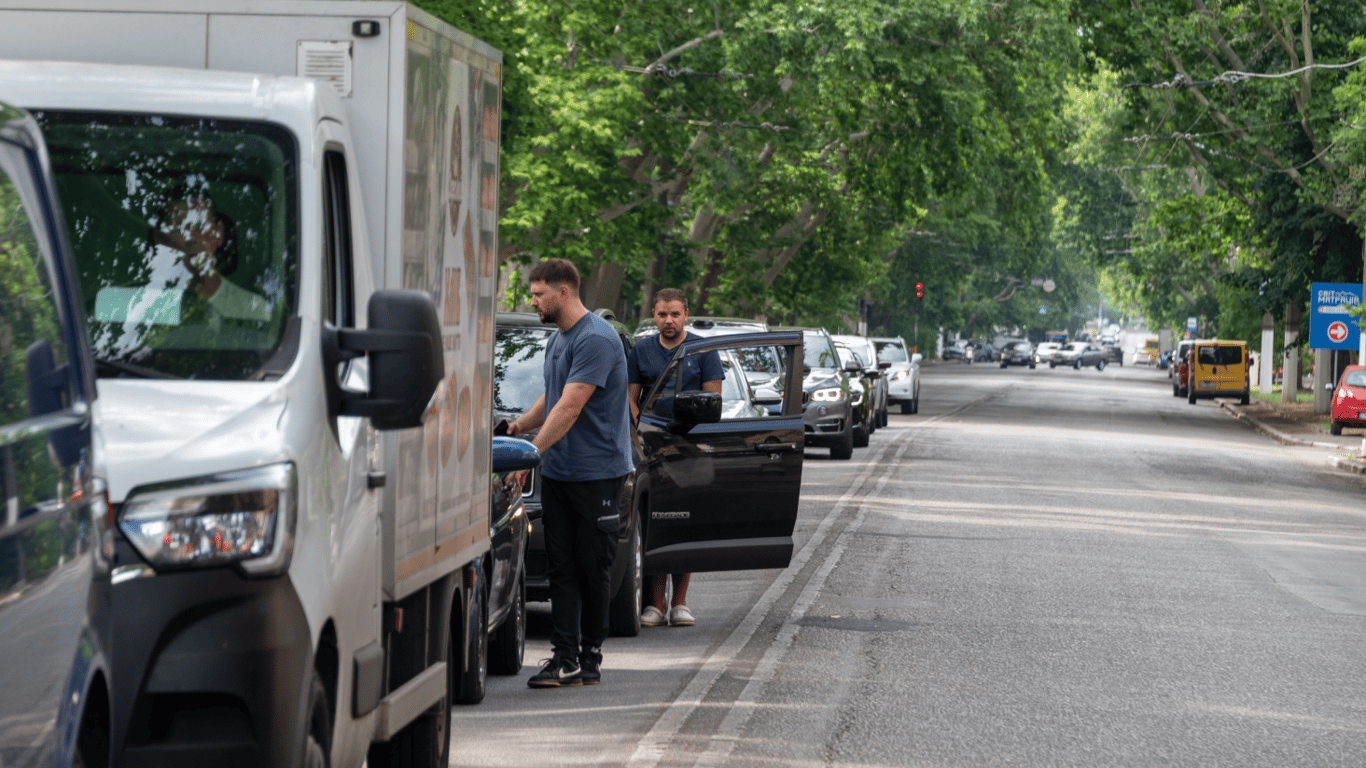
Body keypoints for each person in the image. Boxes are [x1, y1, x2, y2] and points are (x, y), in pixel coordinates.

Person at [508, 258, 633, 687]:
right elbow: (552, 395)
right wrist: (519, 427)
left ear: (563, 292)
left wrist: (528, 454)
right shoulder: (558, 339)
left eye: (539, 293)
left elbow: (571, 406)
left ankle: (590, 656)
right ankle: (564, 657)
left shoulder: (597, 339)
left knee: (590, 566)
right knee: (561, 566)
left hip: (597, 472)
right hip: (561, 471)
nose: (533, 300)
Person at [626, 288, 722, 628]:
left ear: (686, 315)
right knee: (656, 522)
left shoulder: (703, 350)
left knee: (686, 522)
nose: (669, 320)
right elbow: (631, 397)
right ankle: (654, 604)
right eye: (663, 314)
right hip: (650, 448)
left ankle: (680, 603)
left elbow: (714, 399)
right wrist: (642, 428)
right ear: (654, 314)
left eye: (676, 314)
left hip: (690, 448)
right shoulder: (641, 350)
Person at [148, 193, 270, 322]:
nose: (191, 236)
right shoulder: (148, 301)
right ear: (160, 240)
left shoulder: (259, 300)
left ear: (219, 232)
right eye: (177, 228)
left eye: (199, 223)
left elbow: (269, 316)